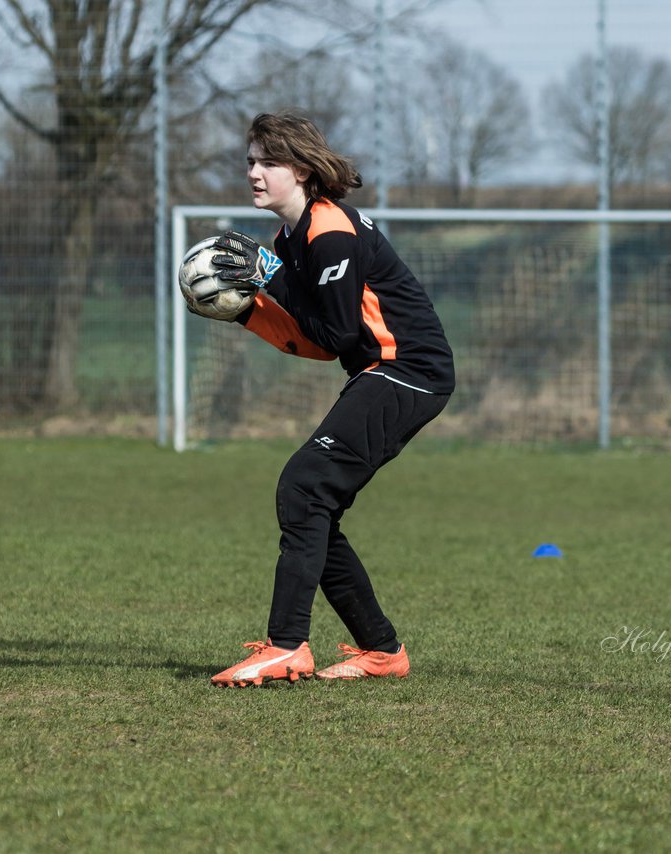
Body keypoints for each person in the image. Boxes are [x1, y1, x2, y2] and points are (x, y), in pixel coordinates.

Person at [202, 112, 455, 686]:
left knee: (304, 487)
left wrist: (267, 276)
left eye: (270, 162)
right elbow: (316, 340)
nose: (255, 173)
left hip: (408, 371)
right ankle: (381, 651)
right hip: (380, 371)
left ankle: (287, 645)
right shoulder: (291, 238)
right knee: (314, 505)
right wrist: (247, 311)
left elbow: (338, 333)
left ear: (303, 169)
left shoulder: (328, 230)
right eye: (250, 161)